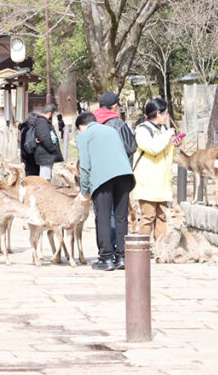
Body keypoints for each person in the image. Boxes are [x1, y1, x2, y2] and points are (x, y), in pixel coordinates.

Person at [74, 112, 135, 271]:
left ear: (81, 127)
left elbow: (85, 166)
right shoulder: (112, 130)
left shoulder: (84, 135)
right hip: (125, 176)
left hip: (102, 179)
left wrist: (85, 191)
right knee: (121, 218)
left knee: (104, 217)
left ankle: (106, 258)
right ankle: (122, 257)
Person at [131, 97, 183, 243]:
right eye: (166, 113)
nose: (167, 116)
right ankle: (143, 248)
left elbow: (168, 154)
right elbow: (152, 148)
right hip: (148, 182)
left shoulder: (163, 130)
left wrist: (175, 144)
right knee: (148, 216)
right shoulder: (142, 130)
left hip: (163, 182)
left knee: (162, 217)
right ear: (159, 114)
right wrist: (167, 137)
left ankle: (160, 248)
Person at [93, 92, 137, 158]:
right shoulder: (118, 124)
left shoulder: (91, 122)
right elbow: (131, 148)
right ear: (115, 106)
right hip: (117, 164)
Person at [31, 103, 64, 182]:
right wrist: (53, 149)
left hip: (46, 154)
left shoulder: (43, 122)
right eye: (53, 113)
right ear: (50, 113)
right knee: (45, 179)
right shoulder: (41, 122)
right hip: (45, 155)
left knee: (47, 176)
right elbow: (44, 139)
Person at [18, 112, 39, 177]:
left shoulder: (24, 129)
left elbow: (21, 143)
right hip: (35, 156)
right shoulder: (36, 129)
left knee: (28, 175)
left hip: (25, 156)